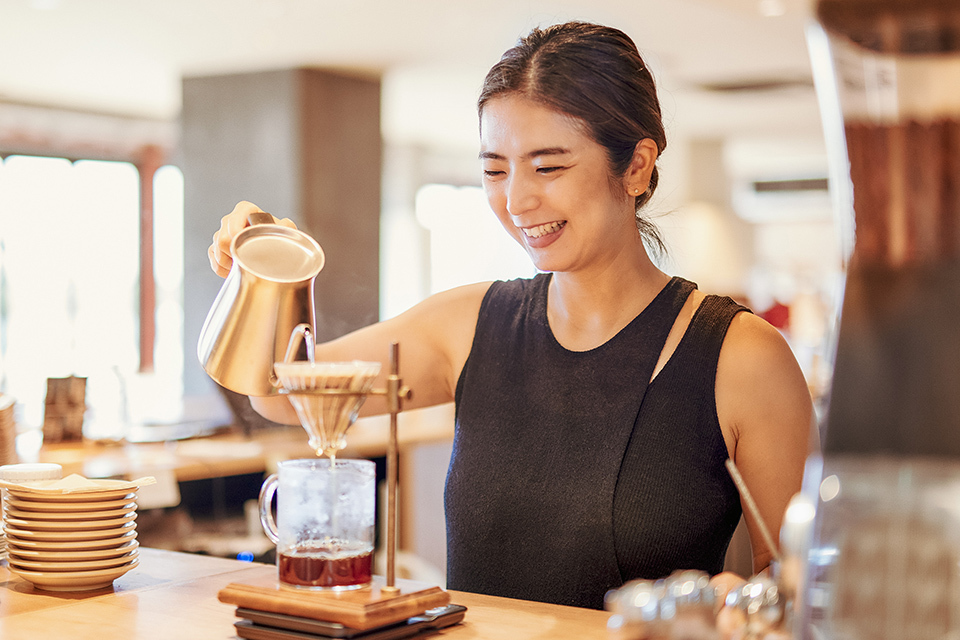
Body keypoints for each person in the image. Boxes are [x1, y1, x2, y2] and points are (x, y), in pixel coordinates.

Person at [208, 21, 816, 610]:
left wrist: (742, 600)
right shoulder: (469, 325)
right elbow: (280, 394)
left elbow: (801, 591)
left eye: (548, 167)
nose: (517, 200)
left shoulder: (741, 356)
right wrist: (264, 279)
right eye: (495, 170)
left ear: (635, 165)